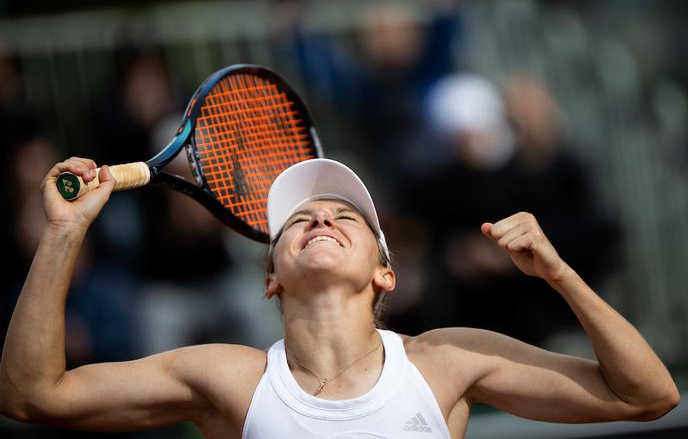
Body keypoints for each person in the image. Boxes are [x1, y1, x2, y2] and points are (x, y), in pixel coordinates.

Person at [0, 156, 679, 438]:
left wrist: (559, 272)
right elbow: (33, 395)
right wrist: (63, 235)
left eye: (345, 217)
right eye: (300, 220)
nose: (321, 218)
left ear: (385, 273)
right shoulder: (228, 378)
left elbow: (647, 395)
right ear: (271, 279)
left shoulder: (445, 361)